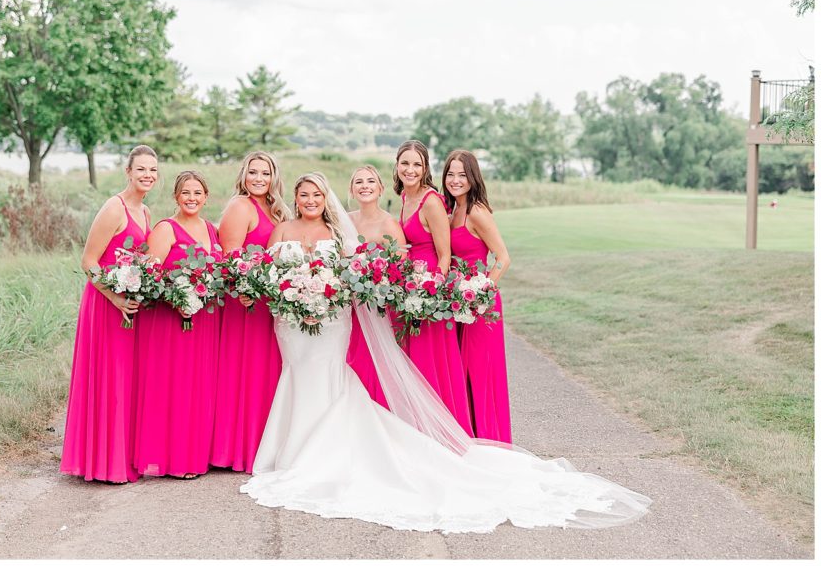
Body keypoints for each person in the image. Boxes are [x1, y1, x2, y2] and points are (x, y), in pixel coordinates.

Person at [240, 173, 651, 533]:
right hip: (291, 322)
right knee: (297, 373)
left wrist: (325, 295)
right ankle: (290, 449)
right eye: (304, 195)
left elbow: (352, 275)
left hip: (331, 320)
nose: (311, 200)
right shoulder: (282, 230)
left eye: (317, 194)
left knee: (328, 374)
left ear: (326, 197)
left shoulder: (338, 233)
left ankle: (321, 453)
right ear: (296, 198)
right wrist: (287, 293)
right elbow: (267, 272)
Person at [61, 144, 157, 483]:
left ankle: (119, 456)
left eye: (153, 170)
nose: (147, 175)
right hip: (105, 304)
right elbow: (88, 261)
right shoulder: (114, 208)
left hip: (129, 304)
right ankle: (101, 462)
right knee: (108, 376)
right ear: (128, 172)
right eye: (141, 169)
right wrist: (114, 298)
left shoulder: (145, 211)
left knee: (125, 378)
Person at [133, 171, 222, 479]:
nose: (191, 198)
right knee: (175, 386)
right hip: (172, 321)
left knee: (199, 387)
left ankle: (195, 455)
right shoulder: (166, 229)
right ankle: (174, 460)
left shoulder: (211, 229)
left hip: (205, 321)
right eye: (186, 192)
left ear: (206, 197)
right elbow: (148, 276)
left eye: (197, 193)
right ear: (176, 196)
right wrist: (176, 298)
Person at [210, 152, 291, 472]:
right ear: (243, 175)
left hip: (267, 303)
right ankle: (235, 449)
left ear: (274, 177)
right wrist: (244, 289)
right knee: (243, 371)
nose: (259, 178)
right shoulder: (240, 206)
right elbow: (229, 256)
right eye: (253, 172)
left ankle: (263, 445)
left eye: (265, 173)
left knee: (265, 373)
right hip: (243, 302)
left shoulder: (277, 209)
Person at [394, 140, 472, 434]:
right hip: (409, 290)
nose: (410, 170)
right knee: (412, 364)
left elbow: (445, 255)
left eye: (417, 164)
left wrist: (429, 293)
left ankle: (443, 433)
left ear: (425, 168)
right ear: (397, 166)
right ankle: (417, 430)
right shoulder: (405, 197)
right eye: (405, 163)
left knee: (431, 364)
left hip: (428, 294)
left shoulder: (431, 201)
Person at [443, 150, 512, 444]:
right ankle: (468, 438)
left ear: (472, 177)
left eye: (462, 174)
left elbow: (503, 258)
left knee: (480, 373)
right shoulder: (451, 211)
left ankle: (489, 439)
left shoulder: (476, 212)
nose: (455, 180)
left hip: (480, 305)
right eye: (450, 174)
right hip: (458, 304)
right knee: (462, 372)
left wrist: (480, 294)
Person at [346, 165, 406, 408]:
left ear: (381, 188)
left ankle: (380, 409)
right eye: (359, 182)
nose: (365, 186)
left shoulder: (389, 224)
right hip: (350, 306)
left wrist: (374, 282)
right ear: (351, 189)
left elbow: (401, 267)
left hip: (378, 307)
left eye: (370, 181)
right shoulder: (345, 221)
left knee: (375, 361)